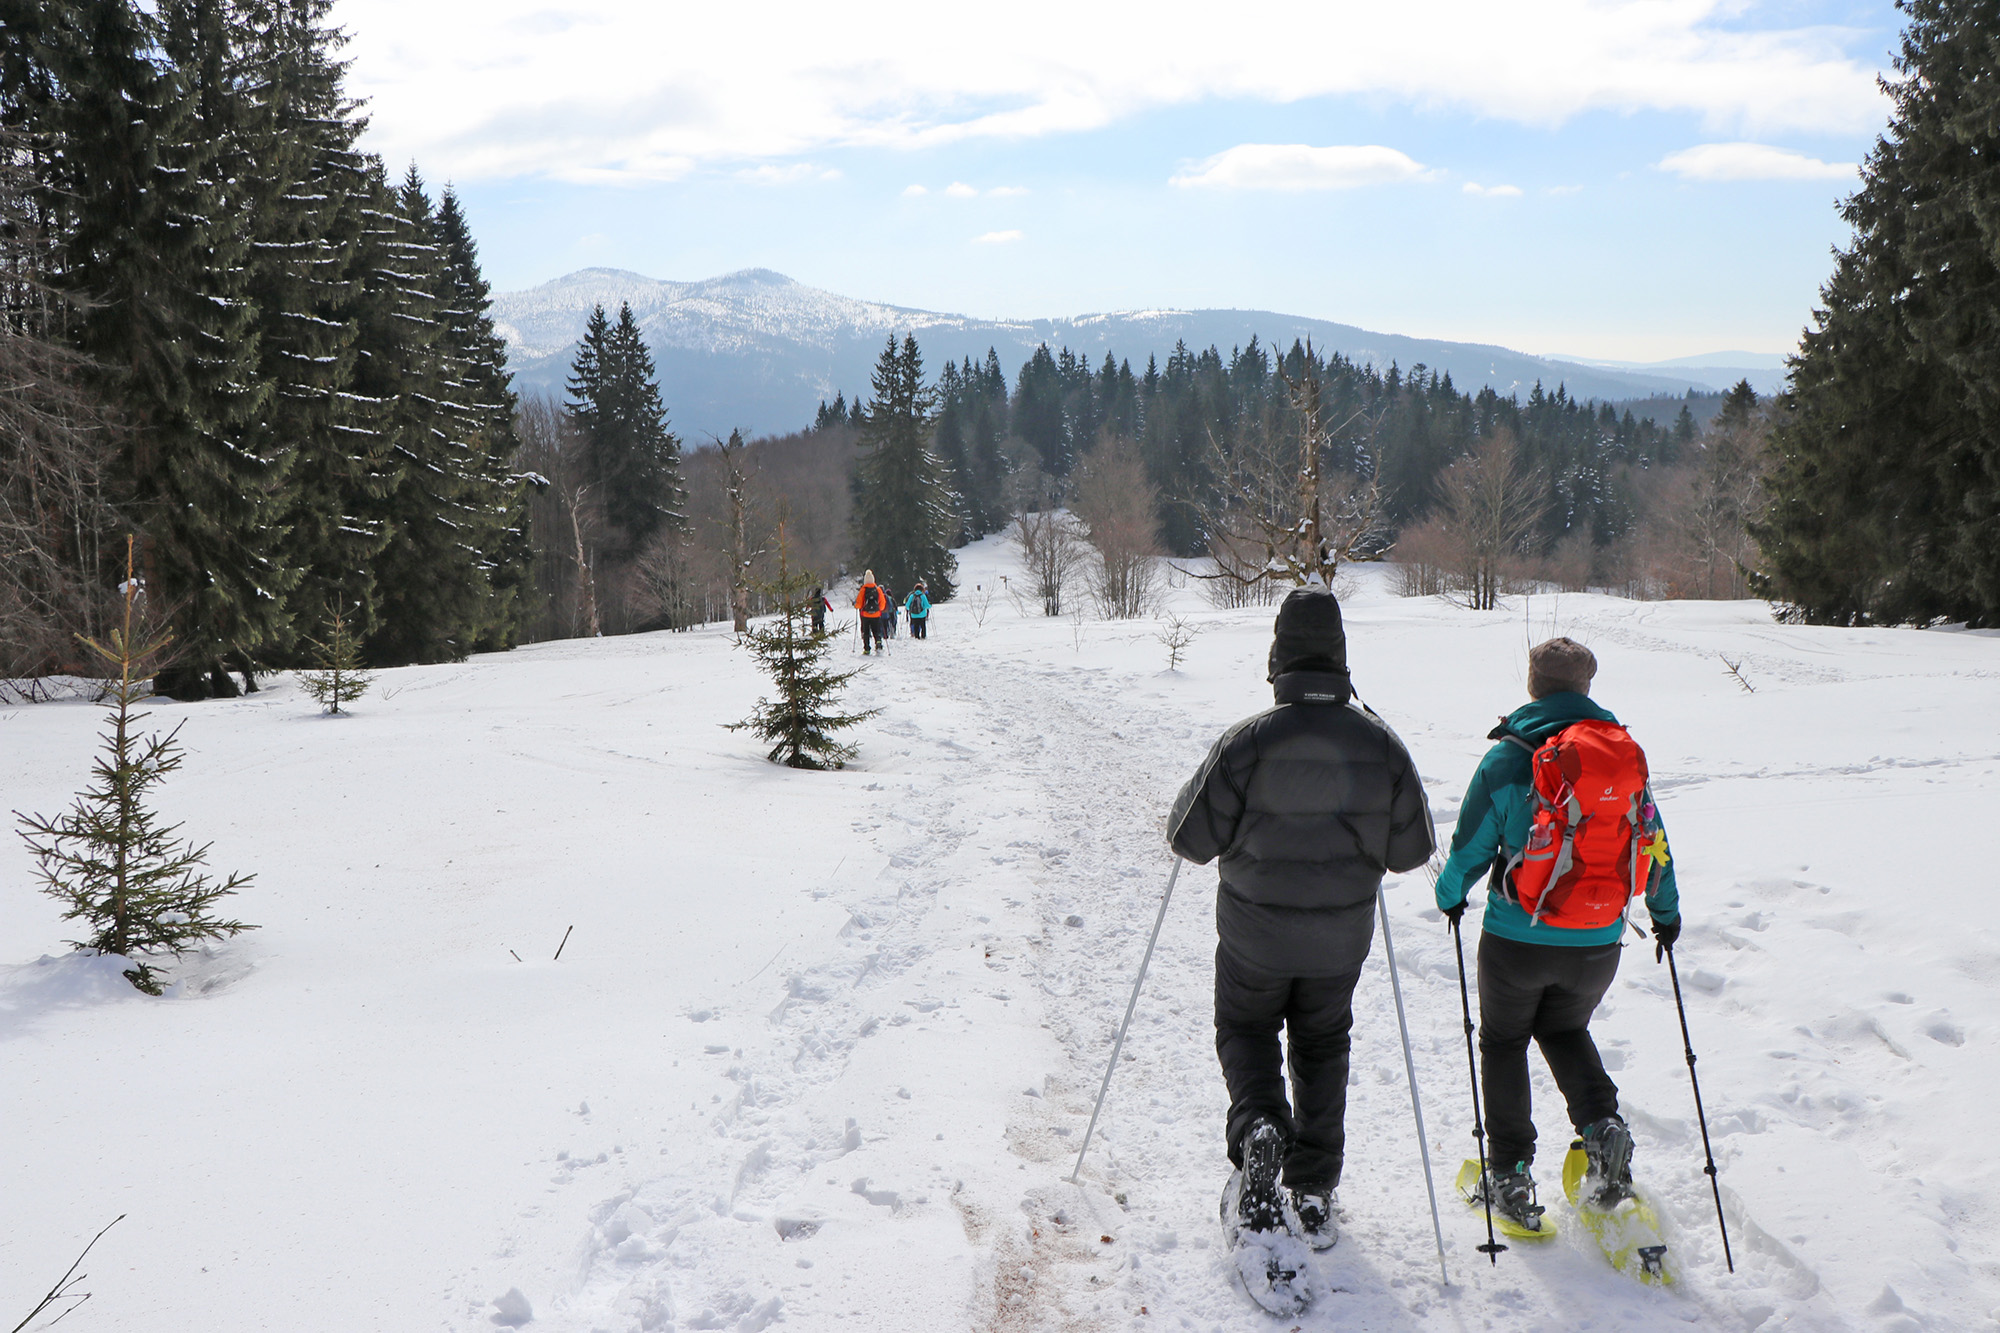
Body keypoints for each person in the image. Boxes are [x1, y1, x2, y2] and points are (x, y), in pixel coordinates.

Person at [1168, 587, 1436, 1250]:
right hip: (1339, 941)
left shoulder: (1247, 741)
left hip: (1253, 939)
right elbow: (1415, 851)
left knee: (1245, 1024)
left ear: (1278, 657)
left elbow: (1188, 839)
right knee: (1322, 1044)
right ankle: (1312, 1185)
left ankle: (1260, 1125)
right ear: (1341, 656)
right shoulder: (1383, 745)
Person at [1433, 637, 1681, 1231]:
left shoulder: (1509, 757)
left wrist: (1450, 896)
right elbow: (1654, 841)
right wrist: (1665, 916)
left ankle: (1511, 1172)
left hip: (1518, 939)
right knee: (1565, 1028)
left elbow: (1470, 845)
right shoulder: (1622, 758)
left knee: (1503, 1041)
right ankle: (1603, 1131)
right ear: (1588, 687)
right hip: (1596, 940)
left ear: (1532, 685)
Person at [854, 571, 888, 654]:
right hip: (876, 614)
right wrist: (879, 609)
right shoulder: (878, 589)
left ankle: (867, 648)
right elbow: (882, 603)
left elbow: (859, 603)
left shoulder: (863, 589)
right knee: (876, 630)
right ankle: (878, 643)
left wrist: (856, 606)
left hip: (865, 615)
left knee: (866, 632)